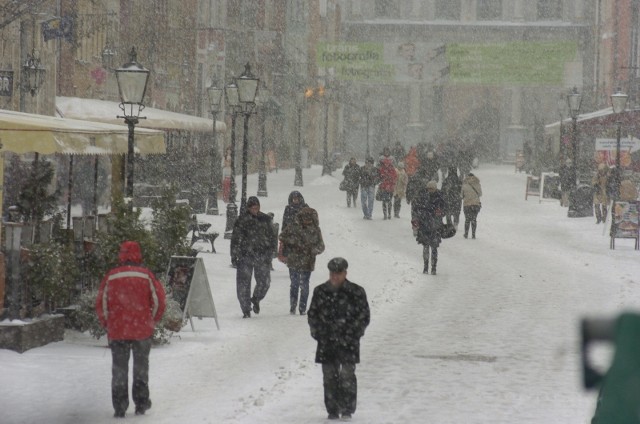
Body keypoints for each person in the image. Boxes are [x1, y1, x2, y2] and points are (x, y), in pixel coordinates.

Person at [95, 241, 166, 418]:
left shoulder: (111, 276)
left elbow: (101, 303)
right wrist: (152, 320)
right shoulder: (146, 274)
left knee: (119, 369)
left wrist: (107, 323)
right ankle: (141, 403)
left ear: (121, 253)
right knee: (141, 368)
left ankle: (119, 406)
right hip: (142, 329)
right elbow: (159, 301)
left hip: (118, 329)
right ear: (138, 253)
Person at [307, 257, 370, 421]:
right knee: (329, 377)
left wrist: (355, 333)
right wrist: (318, 333)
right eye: (332, 273)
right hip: (327, 341)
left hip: (349, 341)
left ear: (345, 273)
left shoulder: (356, 292)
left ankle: (348, 409)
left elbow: (364, 316)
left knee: (347, 376)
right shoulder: (320, 291)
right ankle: (332, 409)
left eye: (338, 273)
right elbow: (313, 314)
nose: (335, 277)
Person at [230, 196, 277, 318]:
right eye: (253, 207)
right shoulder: (241, 220)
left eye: (257, 207)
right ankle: (246, 309)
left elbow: (273, 237)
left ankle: (256, 298)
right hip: (245, 255)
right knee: (243, 284)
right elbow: (235, 239)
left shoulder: (265, 219)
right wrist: (234, 255)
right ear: (248, 208)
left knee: (264, 282)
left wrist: (271, 252)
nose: (255, 209)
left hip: (262, 255)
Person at [279, 207, 325, 315]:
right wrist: (293, 242)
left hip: (307, 261)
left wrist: (313, 250)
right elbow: (282, 236)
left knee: (304, 285)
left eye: (309, 219)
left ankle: (302, 307)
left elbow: (321, 246)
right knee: (294, 284)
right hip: (294, 259)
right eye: (305, 218)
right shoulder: (293, 227)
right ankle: (293, 306)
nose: (307, 221)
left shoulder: (316, 230)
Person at [411, 180, 445, 275]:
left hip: (435, 227)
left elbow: (444, 210)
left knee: (434, 248)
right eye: (428, 188)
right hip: (424, 225)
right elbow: (417, 210)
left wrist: (441, 212)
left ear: (435, 188)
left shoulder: (440, 197)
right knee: (425, 247)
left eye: (432, 188)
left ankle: (434, 268)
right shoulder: (423, 197)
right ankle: (425, 267)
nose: (430, 190)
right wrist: (416, 220)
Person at [278, 191, 308, 263]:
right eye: (294, 199)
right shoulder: (288, 208)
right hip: (290, 236)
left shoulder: (305, 208)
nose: (295, 200)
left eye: (297, 198)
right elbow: (284, 222)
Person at [461, 172, 482, 239]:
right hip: (476, 204)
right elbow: (480, 194)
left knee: (467, 219)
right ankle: (473, 234)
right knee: (474, 219)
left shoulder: (464, 184)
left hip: (467, 204)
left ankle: (466, 234)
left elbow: (461, 195)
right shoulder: (477, 184)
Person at [378, 155, 397, 220]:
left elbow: (394, 177)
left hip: (388, 187)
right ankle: (386, 214)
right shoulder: (385, 169)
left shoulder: (389, 169)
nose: (386, 165)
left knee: (388, 201)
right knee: (386, 201)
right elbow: (380, 177)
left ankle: (387, 214)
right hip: (386, 187)